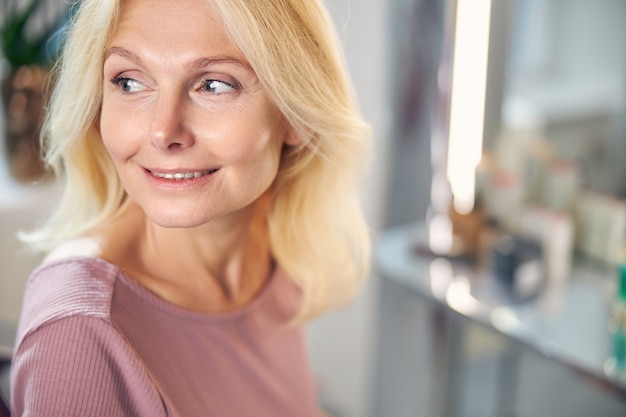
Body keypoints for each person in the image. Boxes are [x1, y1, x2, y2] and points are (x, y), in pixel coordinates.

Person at [9, 0, 370, 415]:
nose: (163, 132)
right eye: (129, 82)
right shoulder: (79, 333)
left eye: (214, 85)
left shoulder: (273, 256)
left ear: (297, 113)